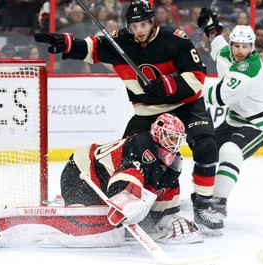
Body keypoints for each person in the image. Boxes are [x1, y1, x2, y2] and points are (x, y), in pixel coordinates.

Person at [34, 0, 221, 233]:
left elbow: (197, 77)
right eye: (135, 26)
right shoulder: (120, 41)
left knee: (206, 146)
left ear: (152, 22)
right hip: (146, 112)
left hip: (186, 105)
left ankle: (203, 205)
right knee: (130, 156)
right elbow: (91, 48)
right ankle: (124, 201)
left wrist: (168, 85)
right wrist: (67, 43)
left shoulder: (175, 38)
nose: (139, 30)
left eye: (144, 24)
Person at [197, 8, 263, 233]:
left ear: (252, 48)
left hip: (258, 124)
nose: (241, 51)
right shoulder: (227, 52)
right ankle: (202, 196)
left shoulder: (250, 68)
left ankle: (218, 204)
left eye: (246, 47)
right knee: (205, 147)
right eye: (237, 46)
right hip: (235, 119)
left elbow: (219, 96)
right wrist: (212, 27)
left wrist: (185, 84)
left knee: (230, 151)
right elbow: (218, 46)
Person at [60, 113, 202, 244]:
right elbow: (125, 176)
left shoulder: (172, 162)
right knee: (91, 233)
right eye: (171, 137)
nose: (175, 143)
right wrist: (127, 200)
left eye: (177, 139)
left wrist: (166, 218)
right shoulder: (140, 146)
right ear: (159, 134)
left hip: (103, 180)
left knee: (121, 227)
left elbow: (166, 188)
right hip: (81, 171)